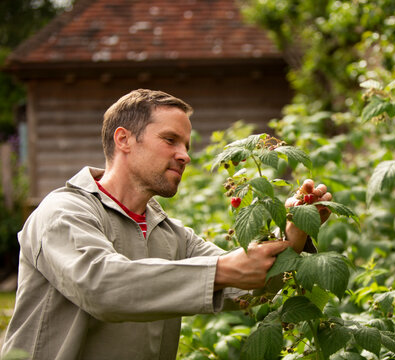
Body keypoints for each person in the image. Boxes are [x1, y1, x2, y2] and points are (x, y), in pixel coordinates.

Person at [1, 89, 332, 360]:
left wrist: (294, 231)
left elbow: (246, 284)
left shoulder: (170, 234)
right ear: (124, 139)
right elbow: (100, 286)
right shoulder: (63, 212)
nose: (185, 155)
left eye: (186, 145)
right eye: (170, 140)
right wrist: (220, 270)